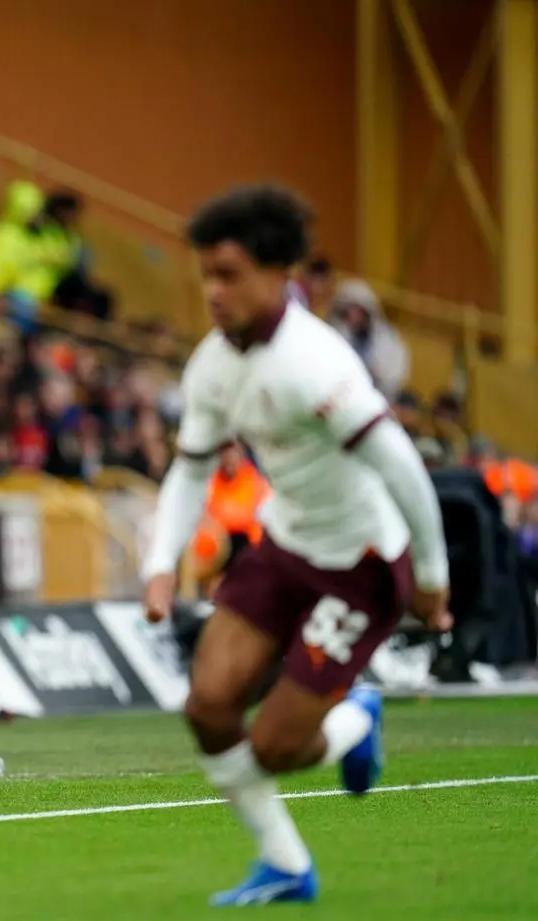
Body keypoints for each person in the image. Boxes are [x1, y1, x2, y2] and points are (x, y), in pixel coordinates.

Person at [139, 186, 451, 906]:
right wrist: (161, 565)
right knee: (208, 705)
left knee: (279, 746)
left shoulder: (316, 362)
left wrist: (431, 575)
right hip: (287, 545)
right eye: (206, 275)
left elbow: (400, 465)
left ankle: (354, 718)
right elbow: (189, 470)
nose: (213, 291)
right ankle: (285, 864)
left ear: (279, 272)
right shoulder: (213, 363)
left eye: (230, 274)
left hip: (363, 562)